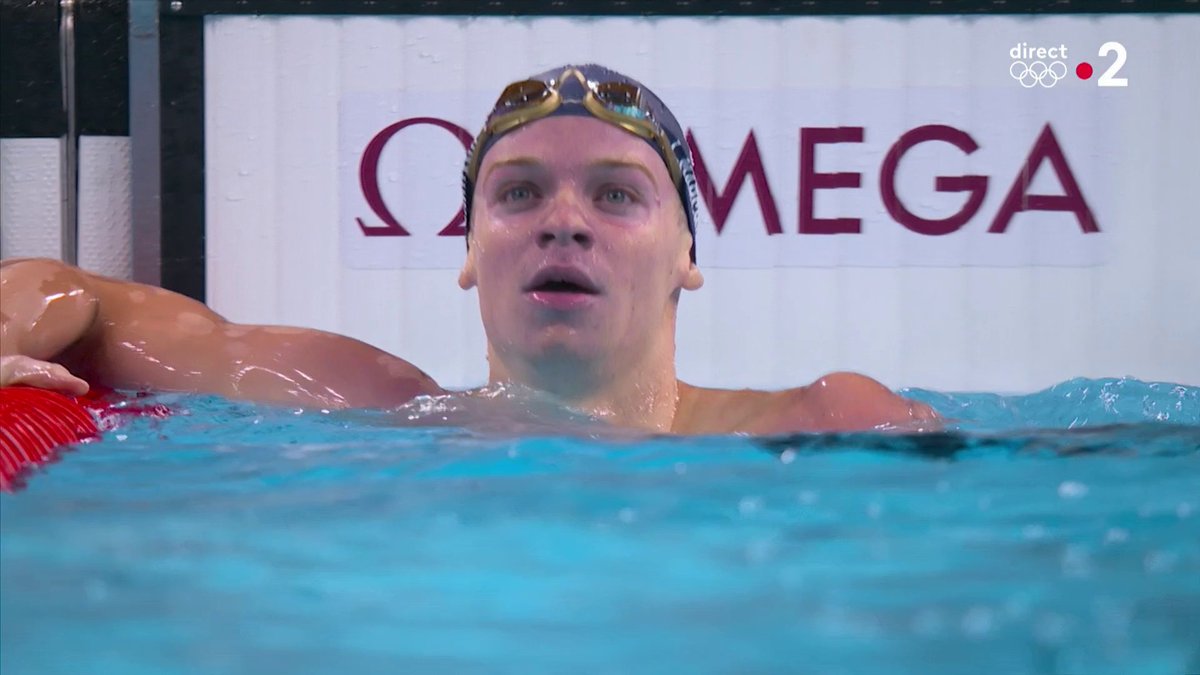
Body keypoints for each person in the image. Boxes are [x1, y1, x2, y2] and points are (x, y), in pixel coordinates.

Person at [0, 64, 938, 435]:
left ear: (686, 252)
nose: (562, 221)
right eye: (519, 192)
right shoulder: (366, 402)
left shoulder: (828, 420)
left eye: (616, 194)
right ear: (468, 248)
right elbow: (70, 294)